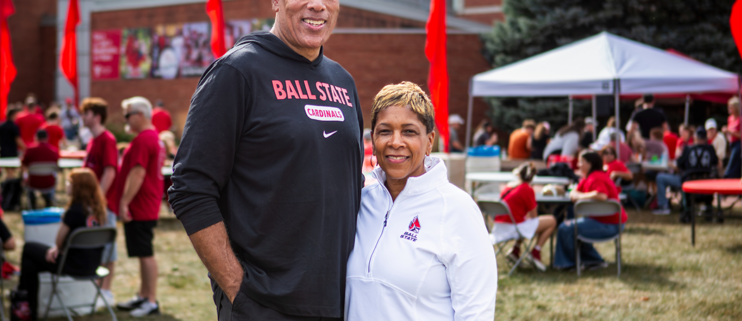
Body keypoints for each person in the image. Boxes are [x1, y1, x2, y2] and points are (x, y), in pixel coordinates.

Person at [168, 2, 364, 318]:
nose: (318, 4)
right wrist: (237, 287)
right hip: (263, 303)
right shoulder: (237, 72)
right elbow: (190, 188)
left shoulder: (342, 81)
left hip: (340, 301)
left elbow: (350, 182)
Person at [345, 81, 496, 320]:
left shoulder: (457, 209)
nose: (396, 142)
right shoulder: (359, 203)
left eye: (409, 131)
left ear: (429, 141)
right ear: (373, 140)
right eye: (385, 131)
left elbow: (476, 312)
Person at [15, 169, 108, 320]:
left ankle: (25, 305)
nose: (66, 185)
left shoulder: (75, 211)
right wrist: (58, 249)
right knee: (30, 264)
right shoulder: (99, 211)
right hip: (93, 265)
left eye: (69, 183)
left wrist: (58, 248)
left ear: (78, 187)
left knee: (28, 249)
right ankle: (27, 306)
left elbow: (59, 241)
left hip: (72, 265)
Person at [110, 97, 165, 317]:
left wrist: (124, 201)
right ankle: (143, 295)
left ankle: (150, 300)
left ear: (139, 115)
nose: (125, 120)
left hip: (141, 205)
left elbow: (138, 173)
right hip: (145, 204)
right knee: (143, 252)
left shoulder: (144, 139)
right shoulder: (153, 138)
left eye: (127, 115)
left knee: (145, 253)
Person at [554, 150, 627, 271]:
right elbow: (574, 191)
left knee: (565, 228)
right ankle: (593, 260)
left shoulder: (596, 178)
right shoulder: (589, 177)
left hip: (609, 225)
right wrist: (576, 194)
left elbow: (602, 195)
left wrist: (579, 196)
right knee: (575, 227)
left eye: (581, 161)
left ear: (590, 163)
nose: (578, 165)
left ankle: (569, 264)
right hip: (603, 222)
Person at [80, 97, 119, 305]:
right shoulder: (93, 140)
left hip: (104, 206)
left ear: (96, 116)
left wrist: (99, 201)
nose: (82, 117)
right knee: (95, 247)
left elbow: (110, 172)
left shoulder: (107, 139)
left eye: (85, 113)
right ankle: (97, 289)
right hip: (93, 206)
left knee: (107, 249)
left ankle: (106, 291)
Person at [492, 162, 557, 271]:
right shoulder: (527, 189)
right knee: (552, 221)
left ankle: (516, 250)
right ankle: (536, 251)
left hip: (498, 228)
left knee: (524, 222)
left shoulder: (508, 187)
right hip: (512, 228)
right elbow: (534, 216)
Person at [653, 127, 719, 222]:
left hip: (688, 184)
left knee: (660, 177)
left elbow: (679, 164)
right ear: (705, 138)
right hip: (706, 184)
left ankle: (664, 206)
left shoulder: (688, 149)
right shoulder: (711, 149)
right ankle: (707, 210)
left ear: (695, 137)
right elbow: (716, 163)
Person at [21, 129, 60, 209]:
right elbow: (56, 166)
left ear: (36, 137)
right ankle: (48, 202)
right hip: (49, 182)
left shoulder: (30, 150)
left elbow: (23, 165)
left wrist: (25, 177)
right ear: (47, 138)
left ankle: (32, 206)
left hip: (33, 182)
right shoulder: (54, 150)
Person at [723, 97, 742, 178]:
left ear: (736, 107)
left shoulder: (741, 119)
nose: (729, 108)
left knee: (732, 165)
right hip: (731, 144)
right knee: (735, 166)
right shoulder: (730, 119)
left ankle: (726, 177)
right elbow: (730, 134)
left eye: (731, 106)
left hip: (739, 145)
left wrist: (729, 131)